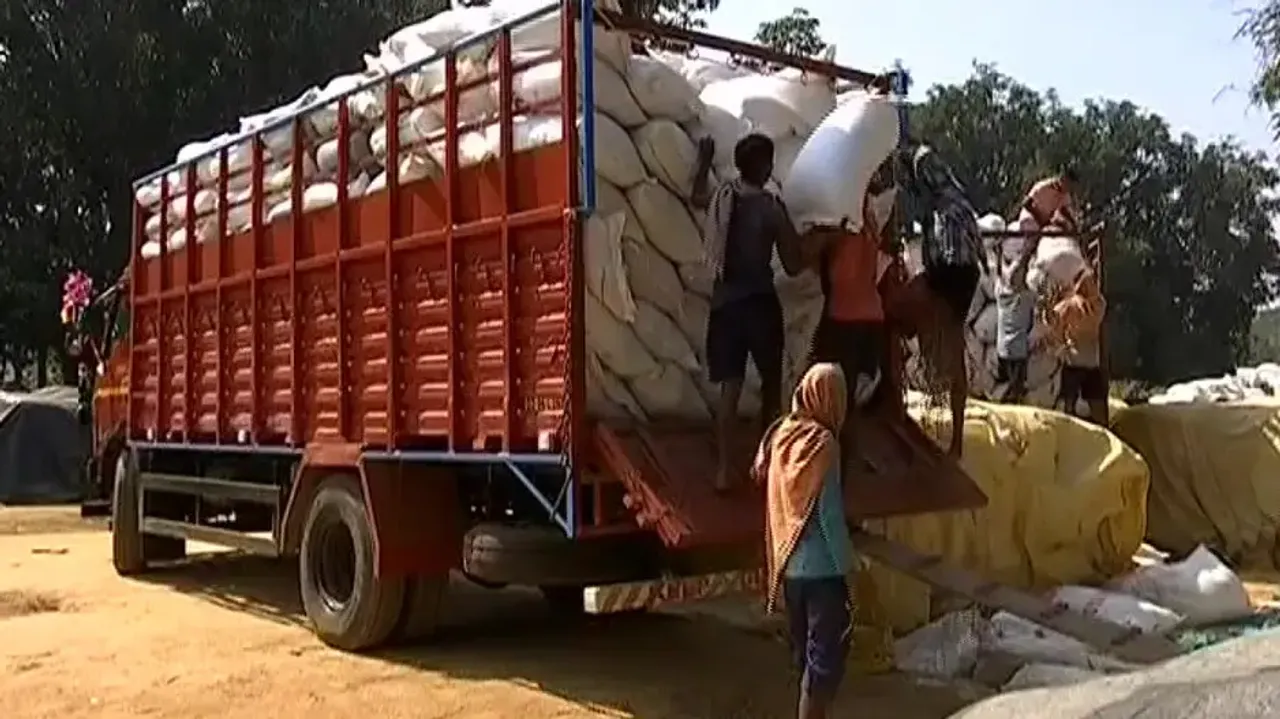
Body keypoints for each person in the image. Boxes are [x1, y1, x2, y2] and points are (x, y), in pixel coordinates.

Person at [693, 133, 806, 493]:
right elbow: (793, 264)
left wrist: (703, 162)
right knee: (771, 386)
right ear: (766, 166)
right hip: (759, 305)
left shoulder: (723, 197)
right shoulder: (771, 209)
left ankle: (724, 470)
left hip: (725, 305)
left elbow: (697, 197)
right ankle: (768, 465)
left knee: (731, 388)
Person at [753, 362, 853, 719]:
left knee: (806, 660)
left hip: (790, 568)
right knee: (823, 665)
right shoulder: (824, 445)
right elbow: (828, 515)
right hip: (824, 572)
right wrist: (849, 566)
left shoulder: (782, 436)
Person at [1052, 265, 1108, 424]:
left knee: (1070, 407)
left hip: (1075, 362)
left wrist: (1061, 343)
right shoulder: (1097, 305)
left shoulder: (1070, 306)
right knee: (1094, 408)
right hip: (1086, 362)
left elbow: (1053, 321)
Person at [993, 233, 1040, 404]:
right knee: (1017, 384)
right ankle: (1009, 403)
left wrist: (998, 254)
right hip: (1018, 348)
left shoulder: (1001, 292)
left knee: (1012, 382)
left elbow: (1001, 273)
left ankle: (1008, 401)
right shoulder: (1026, 296)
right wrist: (1030, 249)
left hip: (1003, 348)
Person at [1017, 169, 1080, 234]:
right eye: (1068, 185)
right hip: (1030, 216)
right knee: (1032, 229)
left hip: (1044, 221)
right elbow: (1026, 203)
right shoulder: (1043, 186)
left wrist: (1074, 225)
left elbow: (1064, 210)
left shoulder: (1065, 194)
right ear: (1063, 179)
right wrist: (1039, 218)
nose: (1069, 188)